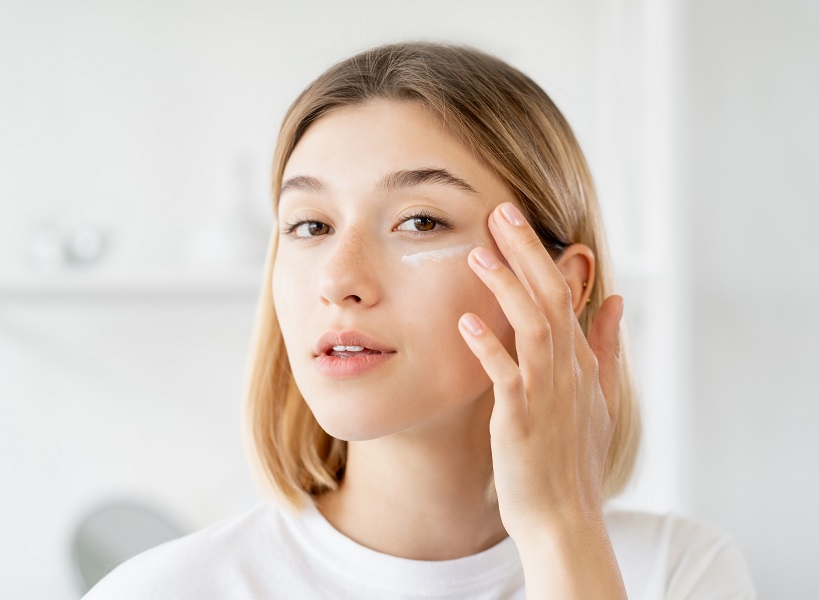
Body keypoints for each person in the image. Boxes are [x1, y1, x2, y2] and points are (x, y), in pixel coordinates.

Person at [84, 42, 756, 599]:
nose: (339, 280)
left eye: (420, 221)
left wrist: (562, 533)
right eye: (311, 225)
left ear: (559, 286)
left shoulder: (675, 573)